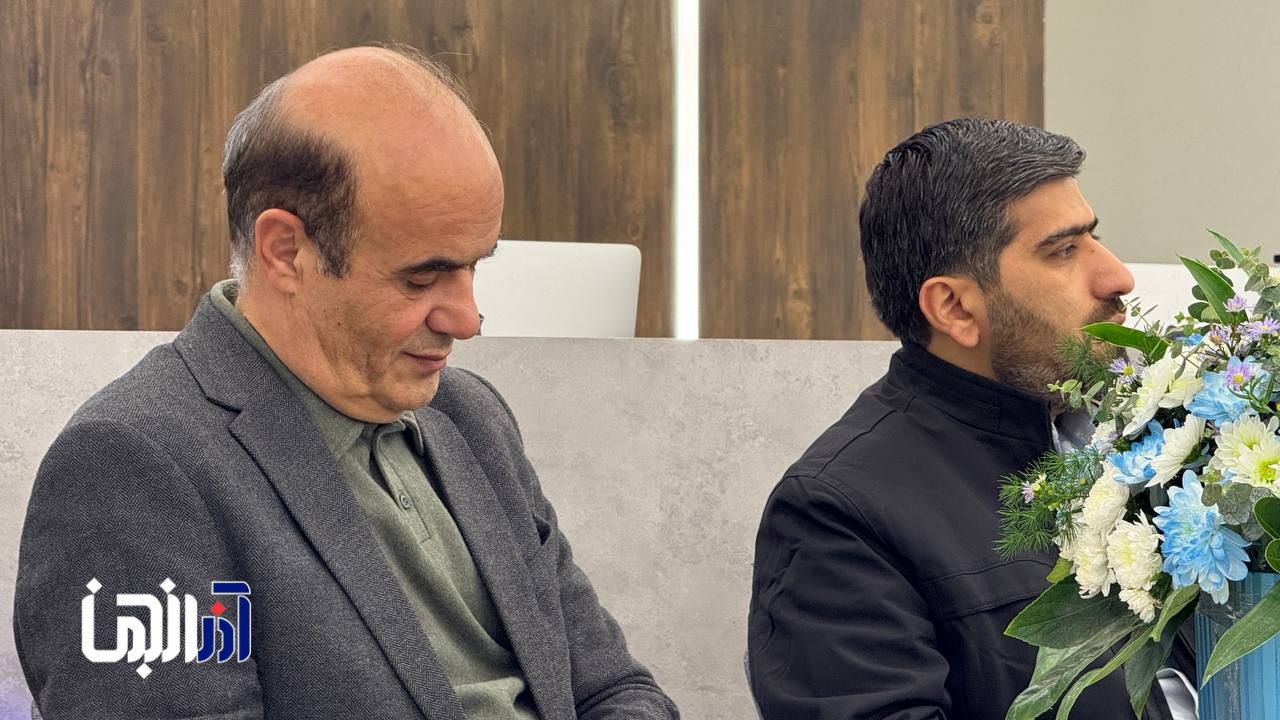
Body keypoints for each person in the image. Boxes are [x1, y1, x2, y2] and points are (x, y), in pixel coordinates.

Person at [15, 45, 679, 720]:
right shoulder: (132, 468)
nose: (468, 319)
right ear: (285, 251)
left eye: (475, 267)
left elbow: (614, 689)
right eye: (421, 278)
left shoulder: (471, 419)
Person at [746, 118, 1194, 719]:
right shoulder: (838, 515)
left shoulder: (1153, 438)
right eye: (1062, 250)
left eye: (1093, 237)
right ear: (955, 307)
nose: (1118, 276)